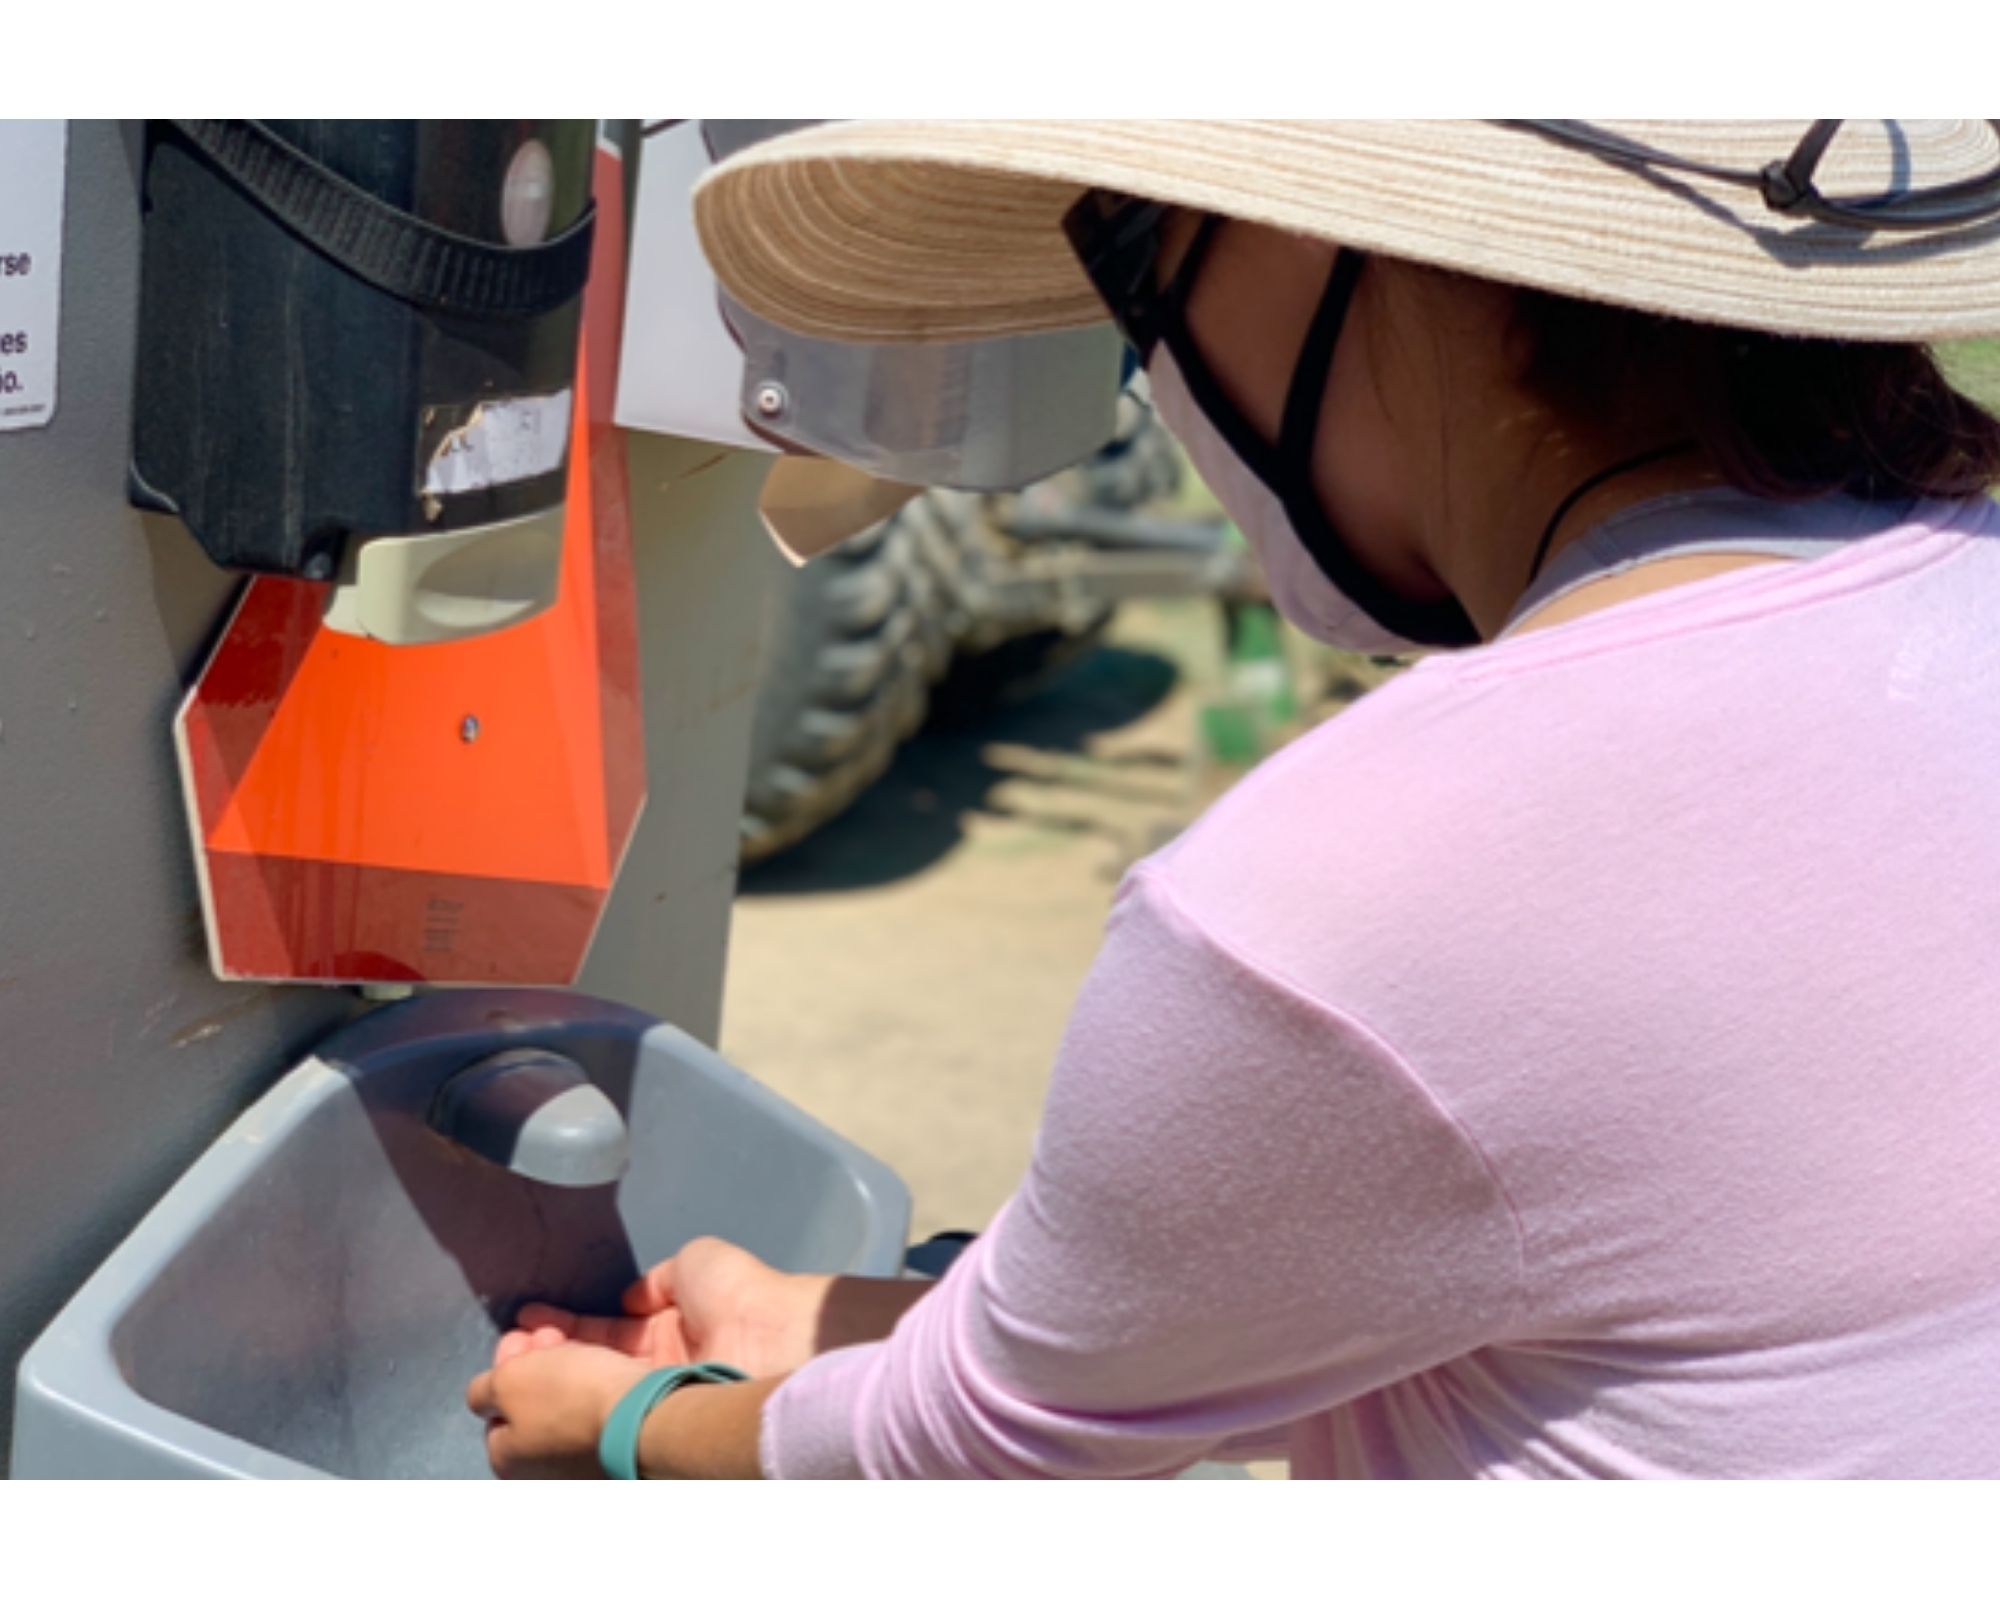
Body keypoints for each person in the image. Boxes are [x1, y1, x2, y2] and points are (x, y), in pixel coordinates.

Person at [468, 120, 2000, 1479]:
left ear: (1315, 253)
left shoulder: (1352, 881)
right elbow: (1636, 1301)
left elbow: (987, 1451)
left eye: (1134, 268)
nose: (1158, 381)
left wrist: (626, 1426)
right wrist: (841, 1315)